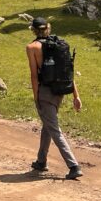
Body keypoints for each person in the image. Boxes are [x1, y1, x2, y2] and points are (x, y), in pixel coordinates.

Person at [26, 16, 83, 179]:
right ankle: (41, 161)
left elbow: (34, 75)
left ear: (33, 29)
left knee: (54, 129)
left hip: (45, 92)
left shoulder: (32, 47)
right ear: (48, 28)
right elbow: (68, 72)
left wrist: (36, 96)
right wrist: (75, 96)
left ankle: (73, 165)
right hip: (60, 91)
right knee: (48, 126)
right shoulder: (59, 46)